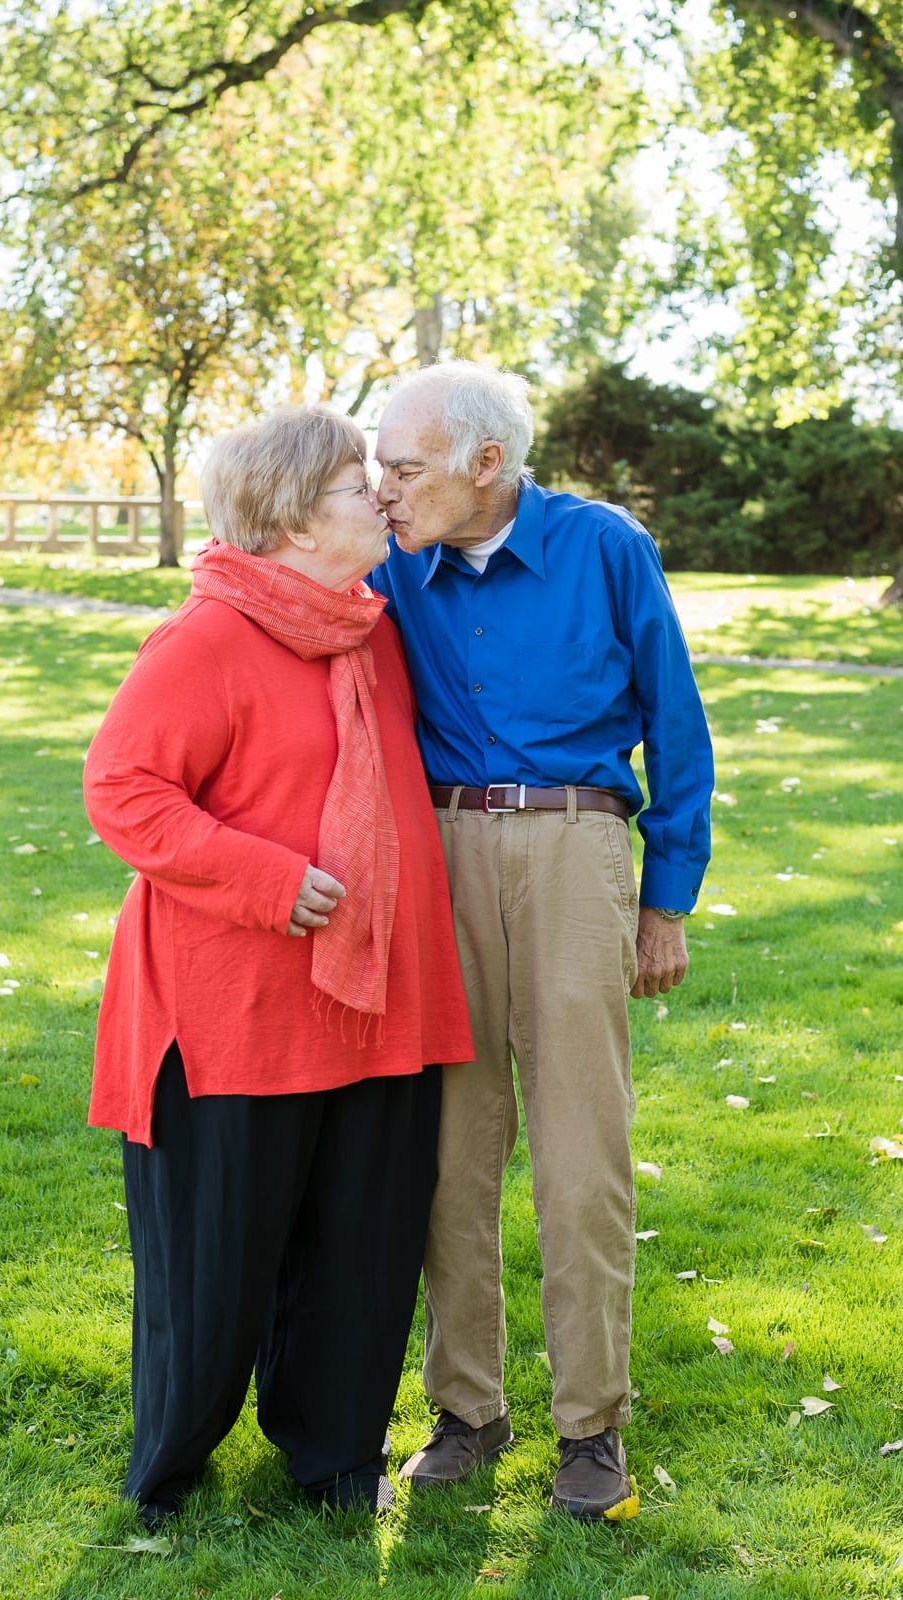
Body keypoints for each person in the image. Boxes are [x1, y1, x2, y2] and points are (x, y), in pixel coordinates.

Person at [83, 404, 473, 1524]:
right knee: (214, 1263)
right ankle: (175, 1456)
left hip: (378, 1001)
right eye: (362, 486)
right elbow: (122, 790)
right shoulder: (204, 639)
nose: (382, 499)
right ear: (299, 517)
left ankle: (333, 1452)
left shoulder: (373, 626)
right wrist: (262, 876)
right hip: (233, 1009)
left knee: (362, 1245)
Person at [368, 361, 713, 1521]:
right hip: (443, 855)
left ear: (486, 462)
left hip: (578, 849)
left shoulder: (606, 548)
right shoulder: (392, 562)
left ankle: (591, 1426)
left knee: (580, 1152)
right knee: (451, 1147)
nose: (384, 485)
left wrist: (665, 899)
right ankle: (467, 1409)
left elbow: (676, 720)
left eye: (403, 464)